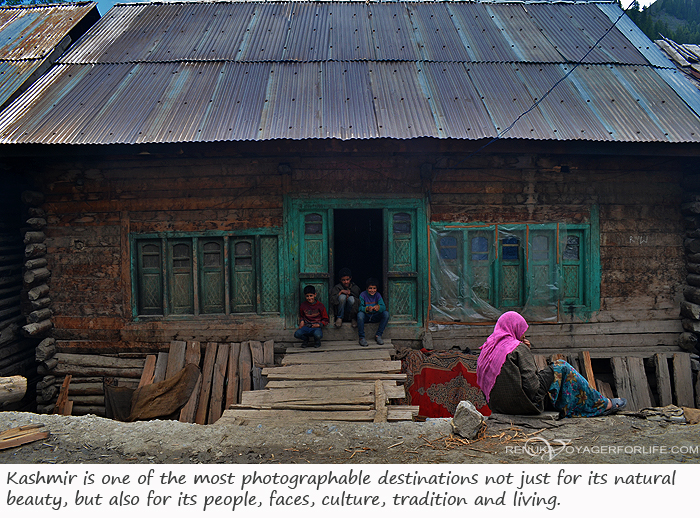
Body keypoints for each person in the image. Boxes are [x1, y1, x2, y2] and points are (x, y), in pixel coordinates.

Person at [476, 311, 627, 418]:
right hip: (525, 405)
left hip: (498, 407)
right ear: (514, 328)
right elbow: (533, 387)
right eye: (522, 331)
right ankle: (602, 403)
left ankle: (588, 403)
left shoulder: (487, 349)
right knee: (561, 367)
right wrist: (527, 352)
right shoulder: (517, 348)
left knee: (552, 377)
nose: (523, 335)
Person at [357, 278, 390, 347]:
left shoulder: (378, 295)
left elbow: (383, 307)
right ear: (366, 288)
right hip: (366, 316)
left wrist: (379, 307)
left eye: (374, 288)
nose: (372, 290)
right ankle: (361, 338)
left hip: (375, 316)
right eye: (370, 288)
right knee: (360, 315)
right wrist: (367, 309)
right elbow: (359, 308)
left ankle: (378, 335)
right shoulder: (362, 295)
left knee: (386, 314)